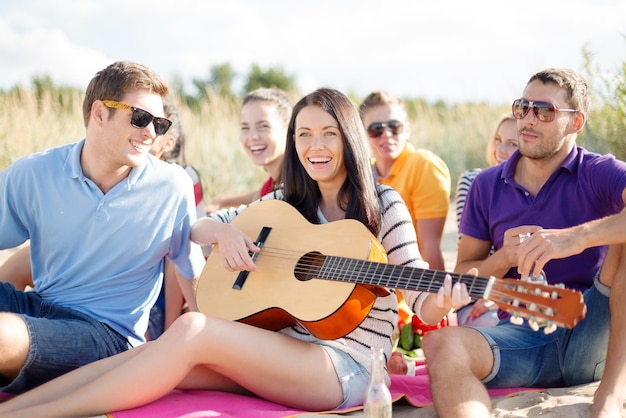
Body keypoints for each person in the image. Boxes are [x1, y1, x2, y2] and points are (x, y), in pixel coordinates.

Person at [0, 88, 469, 417]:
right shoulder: (287, 205)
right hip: (285, 353)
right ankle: (17, 408)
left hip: (346, 366)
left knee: (193, 329)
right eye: (303, 135)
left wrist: (442, 302)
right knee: (161, 358)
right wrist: (222, 235)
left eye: (327, 133)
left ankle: (35, 416)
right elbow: (199, 227)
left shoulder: (383, 205)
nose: (315, 146)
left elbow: (420, 290)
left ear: (347, 137)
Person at [421, 68, 626, 418]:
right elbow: (463, 274)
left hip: (596, 335)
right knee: (441, 343)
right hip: (520, 337)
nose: (528, 120)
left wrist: (575, 238)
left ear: (576, 122)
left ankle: (613, 393)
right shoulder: (485, 186)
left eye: (544, 111)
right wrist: (503, 258)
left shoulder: (598, 172)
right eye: (522, 108)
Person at [0, 60, 206, 394]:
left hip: (106, 336)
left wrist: (210, 346)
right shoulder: (36, 172)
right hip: (39, 307)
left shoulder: (172, 186)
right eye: (140, 118)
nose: (151, 132)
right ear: (99, 114)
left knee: (3, 336)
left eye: (159, 123)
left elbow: (189, 270)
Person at [359, 90, 451, 271]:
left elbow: (429, 247)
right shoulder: (361, 173)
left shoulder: (424, 165)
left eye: (394, 127)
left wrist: (433, 297)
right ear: (362, 135)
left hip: (408, 286)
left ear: (407, 130)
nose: (386, 134)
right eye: (376, 129)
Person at [146, 99, 207, 340]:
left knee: (177, 240)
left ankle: (169, 332)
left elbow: (192, 242)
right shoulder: (124, 175)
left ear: (168, 143)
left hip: (180, 277)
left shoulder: (182, 176)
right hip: (141, 279)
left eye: (156, 127)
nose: (145, 131)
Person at [452, 113, 518, 327]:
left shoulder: (536, 192)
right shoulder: (473, 181)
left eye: (512, 144)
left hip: (523, 297)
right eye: (498, 140)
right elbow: (467, 263)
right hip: (476, 296)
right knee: (501, 326)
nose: (500, 149)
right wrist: (494, 294)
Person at [205, 87, 292, 212]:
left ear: (288, 129)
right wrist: (223, 201)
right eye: (245, 128)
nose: (253, 137)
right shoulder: (276, 181)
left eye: (263, 126)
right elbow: (259, 195)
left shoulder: (297, 186)